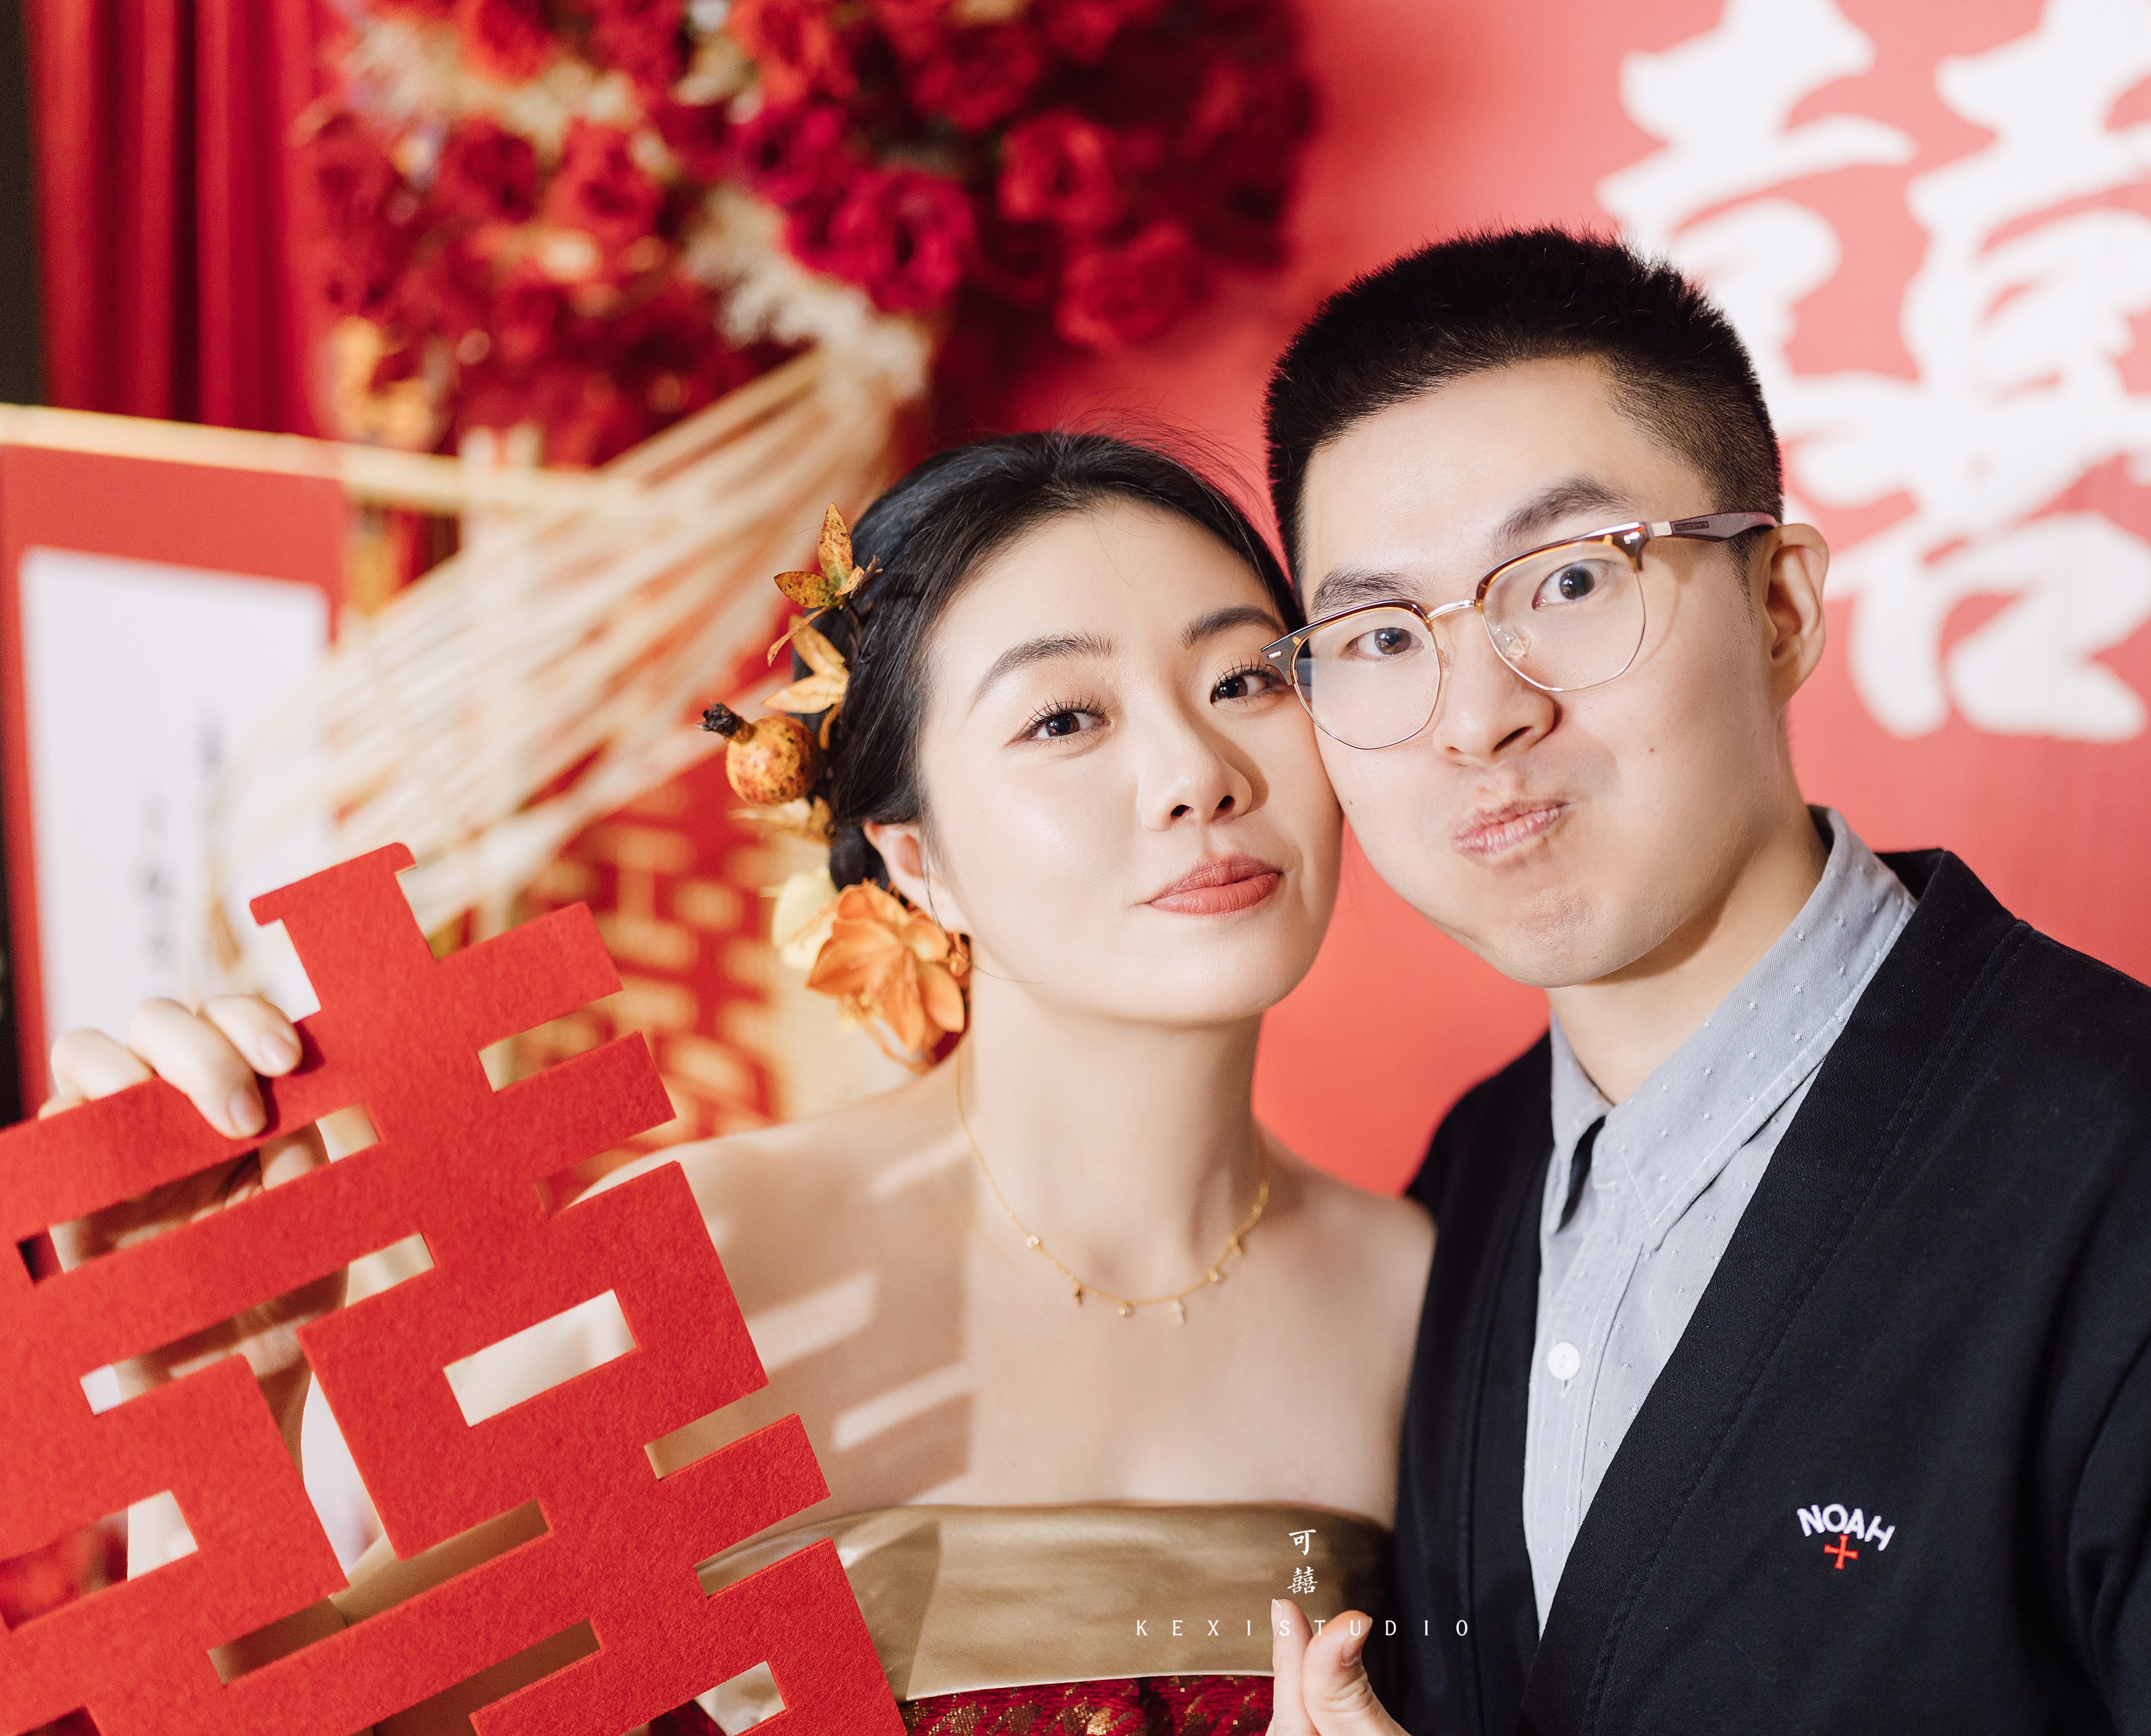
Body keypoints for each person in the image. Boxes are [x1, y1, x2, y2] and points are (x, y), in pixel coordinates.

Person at [1255, 229, 2151, 1733]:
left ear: (1779, 607)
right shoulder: (1470, 1181)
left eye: (1569, 578)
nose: (1477, 714)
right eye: (1378, 634)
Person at [42, 432, 1433, 1734]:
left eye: (1243, 680)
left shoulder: (1429, 1298)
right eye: (1065, 718)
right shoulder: (703, 1260)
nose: (1196, 772)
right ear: (912, 857)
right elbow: (318, 1713)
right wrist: (204, 1425)